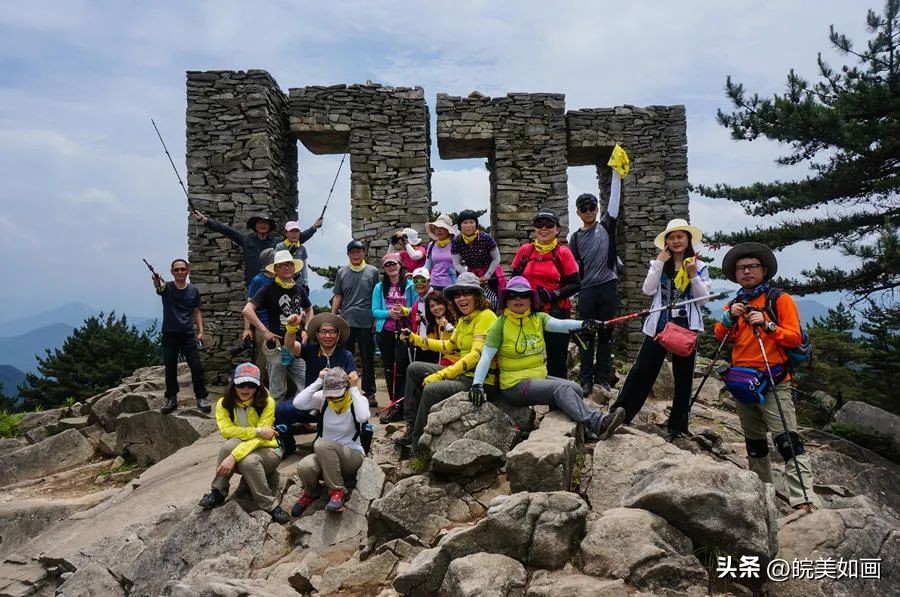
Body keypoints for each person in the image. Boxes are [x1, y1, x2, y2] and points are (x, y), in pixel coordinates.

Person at [715, 242, 818, 512]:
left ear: (763, 270)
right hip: (742, 381)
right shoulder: (736, 302)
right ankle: (762, 497)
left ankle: (804, 499)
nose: (746, 272)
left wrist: (768, 324)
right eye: (741, 268)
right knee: (755, 444)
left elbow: (794, 336)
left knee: (787, 440)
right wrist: (728, 318)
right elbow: (719, 334)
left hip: (774, 381)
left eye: (752, 267)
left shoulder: (778, 299)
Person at [469, 276, 626, 440]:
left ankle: (582, 430)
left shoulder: (538, 319)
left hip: (538, 376)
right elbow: (486, 356)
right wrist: (477, 384)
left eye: (523, 295)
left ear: (531, 299)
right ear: (506, 300)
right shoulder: (499, 325)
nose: (517, 299)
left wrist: (584, 324)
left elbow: (561, 324)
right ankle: (599, 423)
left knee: (576, 388)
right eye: (512, 295)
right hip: (514, 384)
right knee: (561, 389)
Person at [609, 219, 711, 440]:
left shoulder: (699, 266)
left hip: (686, 328)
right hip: (658, 325)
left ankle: (677, 425)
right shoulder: (660, 264)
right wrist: (657, 263)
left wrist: (693, 274)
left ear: (688, 239)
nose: (676, 241)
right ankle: (622, 412)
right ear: (666, 242)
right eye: (671, 237)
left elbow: (703, 299)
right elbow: (648, 290)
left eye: (680, 237)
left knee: (683, 377)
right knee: (642, 371)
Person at [396, 272, 497, 449]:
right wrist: (414, 338)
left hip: (479, 381)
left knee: (432, 389)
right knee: (414, 368)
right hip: (464, 375)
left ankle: (418, 447)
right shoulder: (465, 320)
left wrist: (442, 375)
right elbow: (448, 346)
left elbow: (476, 356)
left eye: (467, 293)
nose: (461, 298)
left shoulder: (486, 316)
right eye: (457, 295)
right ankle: (412, 426)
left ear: (478, 296)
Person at [569, 146, 629, 397]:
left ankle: (602, 378)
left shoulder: (606, 225)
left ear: (596, 208)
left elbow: (614, 198)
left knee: (605, 333)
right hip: (587, 290)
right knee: (585, 335)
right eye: (584, 208)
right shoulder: (574, 238)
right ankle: (585, 379)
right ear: (578, 212)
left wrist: (615, 170)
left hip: (607, 286)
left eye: (592, 206)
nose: (589, 211)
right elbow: (573, 270)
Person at [198, 362, 290, 524]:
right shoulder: (224, 404)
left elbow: (264, 439)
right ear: (233, 384)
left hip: (269, 451)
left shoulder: (267, 402)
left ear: (258, 386)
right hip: (247, 444)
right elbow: (226, 431)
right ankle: (218, 491)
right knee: (229, 445)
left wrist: (234, 456)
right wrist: (258, 431)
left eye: (251, 385)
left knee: (249, 461)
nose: (245, 389)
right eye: (241, 384)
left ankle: (270, 505)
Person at [275, 312, 358, 455]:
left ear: (338, 335)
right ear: (317, 334)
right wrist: (291, 329)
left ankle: (328, 438)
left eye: (332, 332)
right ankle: (287, 445)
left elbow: (353, 378)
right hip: (311, 402)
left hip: (335, 405)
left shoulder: (345, 355)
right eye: (323, 331)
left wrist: (350, 379)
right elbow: (289, 345)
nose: (327, 336)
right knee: (280, 411)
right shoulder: (310, 350)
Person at [511, 208, 580, 379]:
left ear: (557, 229)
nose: (543, 228)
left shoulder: (563, 252)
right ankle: (528, 397)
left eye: (549, 224)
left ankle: (556, 400)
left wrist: (553, 294)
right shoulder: (525, 251)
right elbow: (514, 281)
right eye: (539, 224)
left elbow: (575, 284)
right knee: (525, 355)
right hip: (527, 313)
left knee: (557, 359)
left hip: (556, 312)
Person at [291, 367, 370, 516]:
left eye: (337, 395)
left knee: (321, 444)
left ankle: (337, 492)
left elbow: (363, 417)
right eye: (330, 395)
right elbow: (298, 403)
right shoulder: (324, 398)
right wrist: (319, 380)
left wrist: (353, 388)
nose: (333, 398)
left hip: (352, 456)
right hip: (326, 455)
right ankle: (311, 493)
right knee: (305, 466)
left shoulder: (356, 399)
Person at [242, 250, 313, 402]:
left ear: (294, 268)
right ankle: (277, 421)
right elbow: (248, 310)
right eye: (281, 266)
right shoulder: (268, 289)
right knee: (277, 389)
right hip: (277, 345)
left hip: (296, 345)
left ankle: (300, 418)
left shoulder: (299, 289)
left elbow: (308, 309)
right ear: (275, 270)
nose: (286, 268)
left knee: (306, 385)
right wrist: (264, 331)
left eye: (289, 264)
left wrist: (307, 329)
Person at [192, 210, 319, 287]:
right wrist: (205, 220)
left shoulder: (277, 242)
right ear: (255, 226)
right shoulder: (246, 240)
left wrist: (314, 227)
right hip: (253, 283)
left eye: (265, 223)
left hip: (273, 283)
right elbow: (226, 230)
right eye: (259, 223)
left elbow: (297, 237)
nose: (262, 225)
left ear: (270, 226)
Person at [152, 258, 210, 415]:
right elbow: (159, 288)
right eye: (176, 270)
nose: (179, 272)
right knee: (170, 367)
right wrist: (156, 280)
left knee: (196, 367)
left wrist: (201, 331)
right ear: (172, 272)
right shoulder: (167, 287)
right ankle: (171, 398)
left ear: (188, 271)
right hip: (170, 333)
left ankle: (201, 397)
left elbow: (196, 311)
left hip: (187, 333)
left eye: (182, 269)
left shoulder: (193, 291)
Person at [333, 240, 380, 407]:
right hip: (346, 321)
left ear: (363, 253)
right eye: (352, 251)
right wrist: (333, 318)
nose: (356, 254)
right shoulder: (341, 272)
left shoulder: (372, 271)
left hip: (367, 321)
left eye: (359, 251)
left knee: (368, 359)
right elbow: (338, 295)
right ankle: (345, 390)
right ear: (348, 254)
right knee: (346, 358)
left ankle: (370, 393)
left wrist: (376, 319)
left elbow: (377, 296)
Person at [372, 252, 417, 422]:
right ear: (384, 269)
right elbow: (374, 311)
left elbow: (414, 308)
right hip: (385, 331)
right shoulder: (378, 287)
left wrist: (404, 312)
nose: (391, 267)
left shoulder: (410, 285)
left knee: (404, 366)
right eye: (387, 265)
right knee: (390, 367)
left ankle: (403, 402)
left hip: (405, 332)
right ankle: (393, 402)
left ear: (400, 265)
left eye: (394, 264)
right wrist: (389, 313)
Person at [451, 209, 505, 305]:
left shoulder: (485, 238)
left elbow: (496, 258)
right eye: (465, 222)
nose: (468, 225)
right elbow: (456, 263)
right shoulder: (457, 241)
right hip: (471, 274)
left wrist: (487, 276)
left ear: (476, 224)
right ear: (460, 225)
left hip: (490, 273)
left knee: (493, 301)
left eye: (471, 222)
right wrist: (470, 276)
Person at [244, 248, 276, 377]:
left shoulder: (279, 279)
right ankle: (259, 388)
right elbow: (249, 305)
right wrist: (247, 329)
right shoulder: (258, 280)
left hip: (277, 325)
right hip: (263, 325)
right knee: (262, 361)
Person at [274, 219, 322, 294]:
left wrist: (305, 282)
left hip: (298, 281)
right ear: (286, 233)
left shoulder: (302, 248)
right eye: (291, 231)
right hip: (283, 281)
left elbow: (304, 266)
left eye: (296, 231)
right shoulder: (280, 247)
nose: (294, 234)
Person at [424, 214, 459, 290]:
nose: (438, 230)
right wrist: (417, 274)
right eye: (436, 227)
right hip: (434, 285)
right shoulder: (431, 245)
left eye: (442, 227)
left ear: (448, 230)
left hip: (452, 285)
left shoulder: (455, 244)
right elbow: (427, 266)